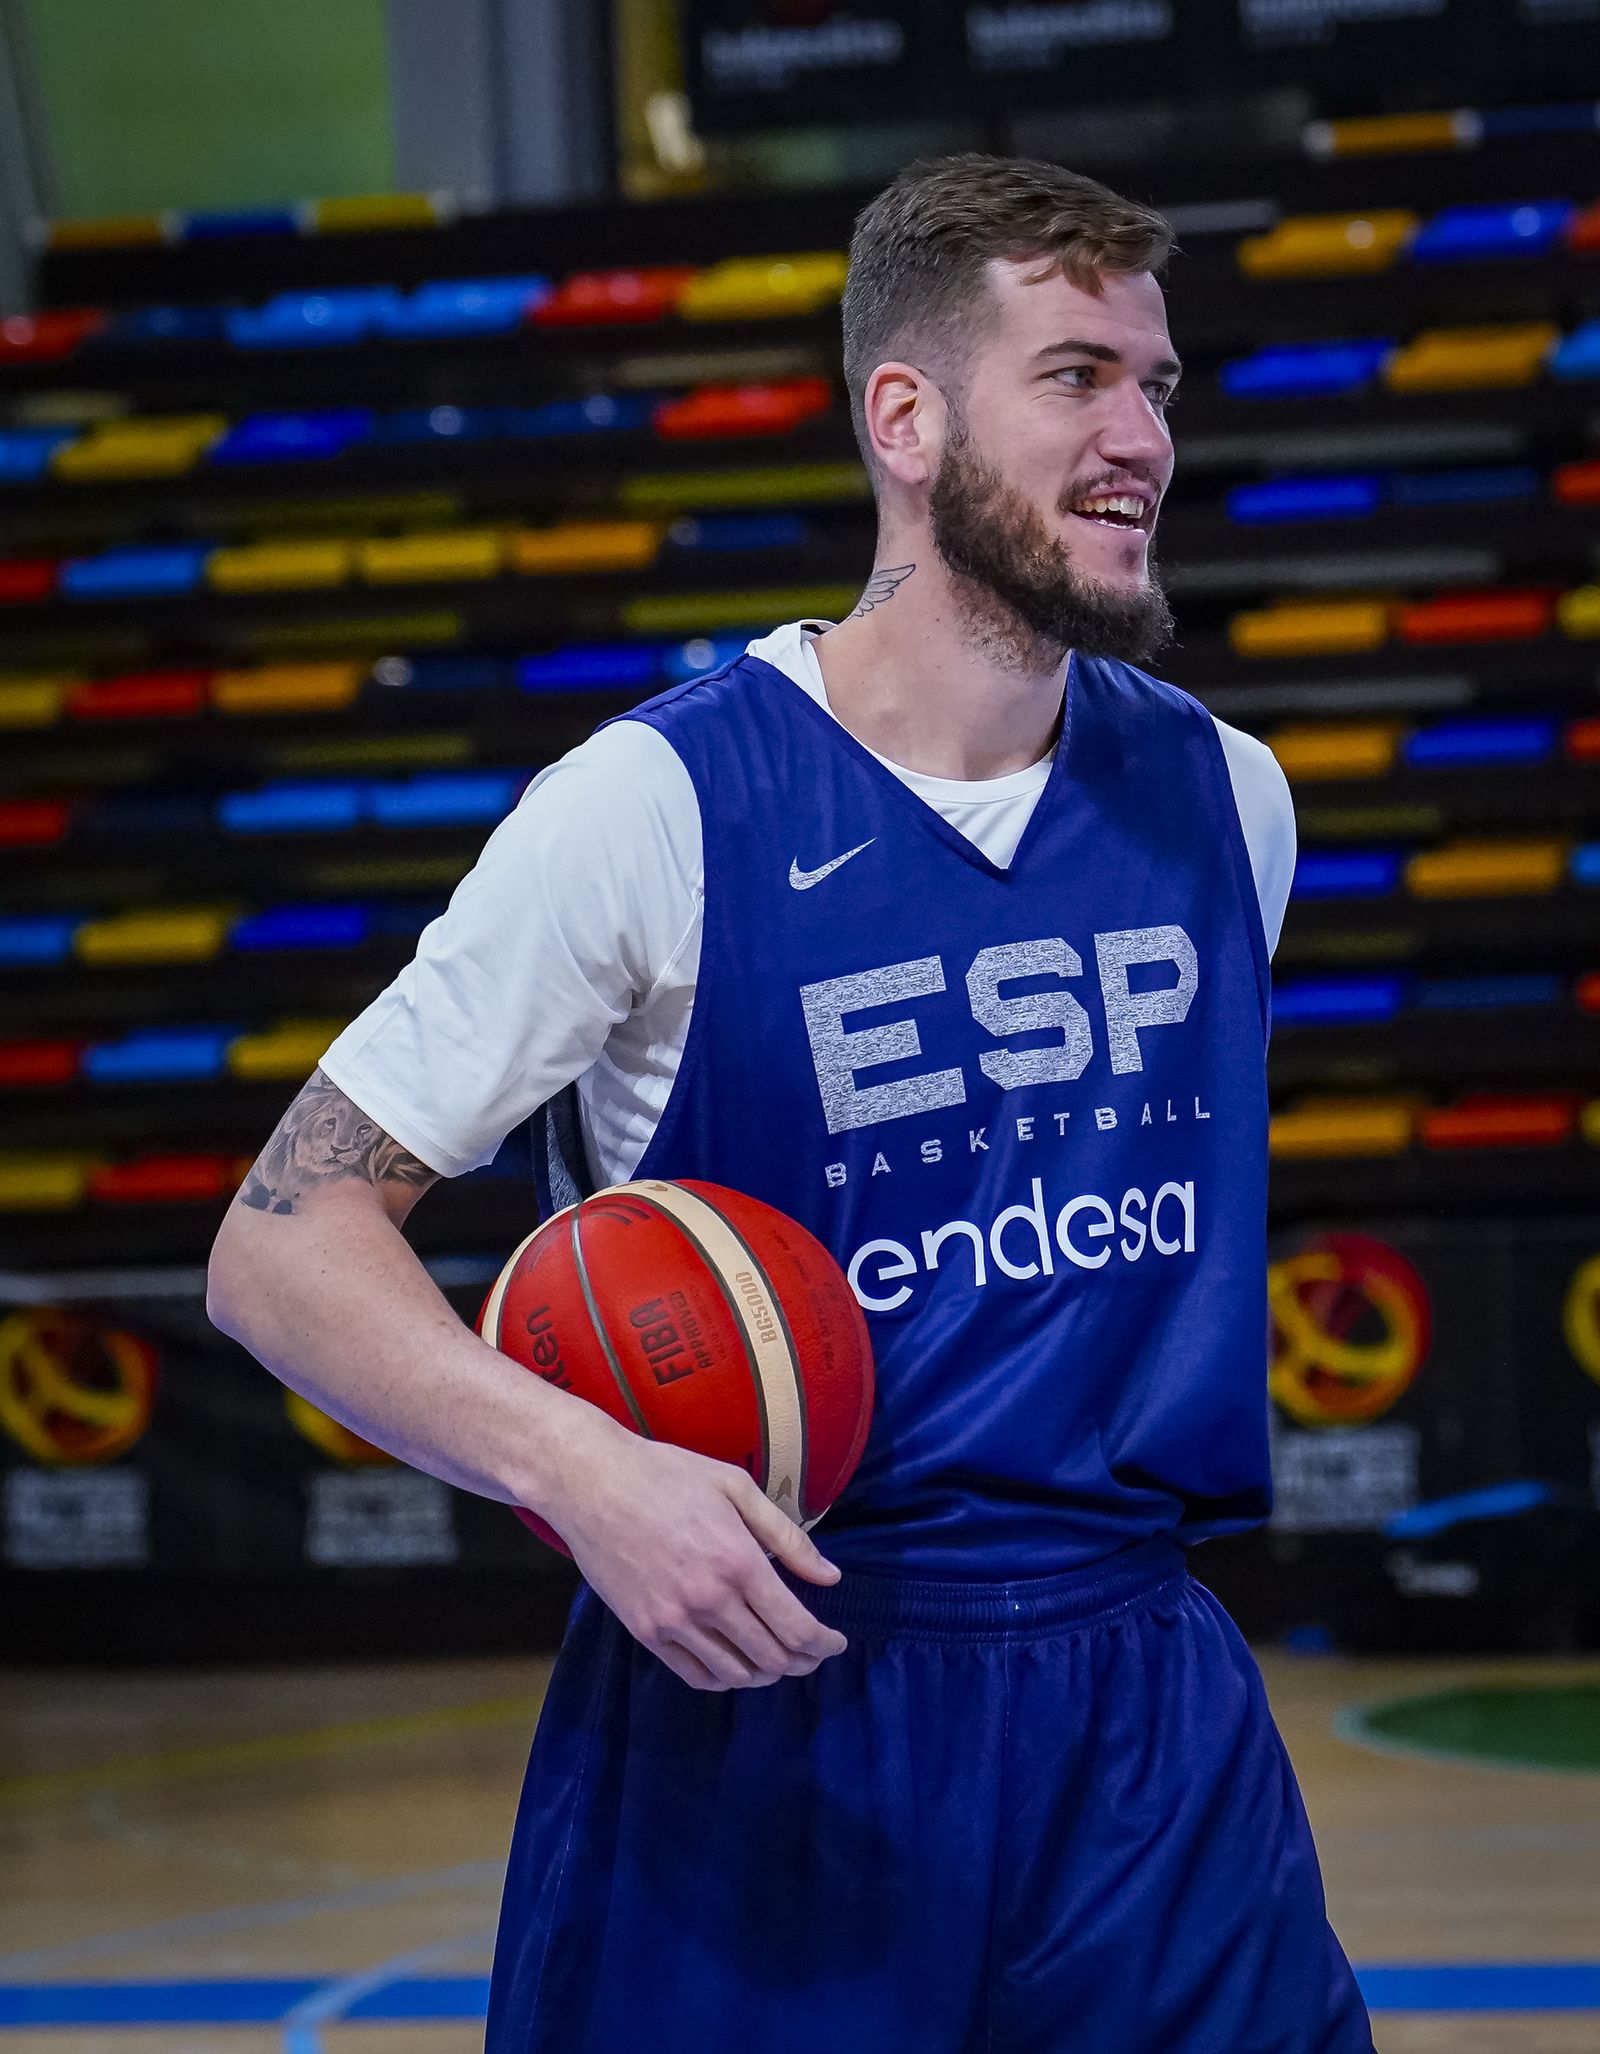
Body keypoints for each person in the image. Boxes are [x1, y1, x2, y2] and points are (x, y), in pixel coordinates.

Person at [208, 153, 1374, 2051]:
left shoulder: (1232, 798)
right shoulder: (653, 810)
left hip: (1146, 1716)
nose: (1143, 435)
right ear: (901, 418)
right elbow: (278, 1249)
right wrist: (586, 1473)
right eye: (1077, 376)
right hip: (775, 1693)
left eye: (1159, 384)